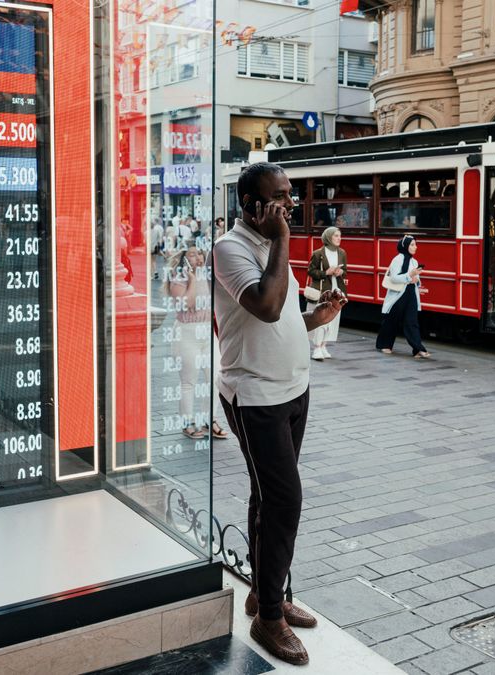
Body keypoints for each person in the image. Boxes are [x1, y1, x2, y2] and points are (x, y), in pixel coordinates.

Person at [212, 162, 345, 666]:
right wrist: (284, 236)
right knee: (285, 500)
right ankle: (269, 618)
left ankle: (264, 593)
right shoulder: (232, 248)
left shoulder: (273, 247)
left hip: (293, 390)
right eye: (280, 197)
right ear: (250, 204)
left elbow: (283, 316)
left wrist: (317, 317)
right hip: (255, 396)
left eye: (290, 196)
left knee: (266, 497)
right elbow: (265, 306)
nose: (290, 204)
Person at [164, 244, 227, 440]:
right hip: (186, 333)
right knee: (189, 382)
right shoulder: (179, 279)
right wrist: (191, 280)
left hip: (208, 333)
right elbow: (188, 304)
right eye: (192, 254)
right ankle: (187, 422)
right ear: (184, 259)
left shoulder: (209, 277)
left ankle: (209, 419)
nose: (197, 257)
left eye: (199, 253)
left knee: (216, 378)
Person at [376, 235, 430, 358]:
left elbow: (415, 279)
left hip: (411, 294)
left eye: (415, 244)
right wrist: (409, 276)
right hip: (398, 295)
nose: (415, 247)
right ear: (405, 246)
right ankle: (385, 345)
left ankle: (418, 349)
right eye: (412, 244)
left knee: (412, 321)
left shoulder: (414, 261)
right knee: (391, 320)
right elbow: (394, 278)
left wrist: (417, 281)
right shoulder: (397, 259)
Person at [305, 227, 347, 361]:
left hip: (337, 290)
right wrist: (326, 273)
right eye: (336, 236)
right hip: (323, 290)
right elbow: (311, 271)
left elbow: (345, 270)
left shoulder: (342, 253)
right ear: (328, 237)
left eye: (340, 236)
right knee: (321, 318)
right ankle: (316, 347)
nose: (339, 238)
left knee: (332, 320)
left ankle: (324, 345)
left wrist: (340, 272)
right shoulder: (318, 253)